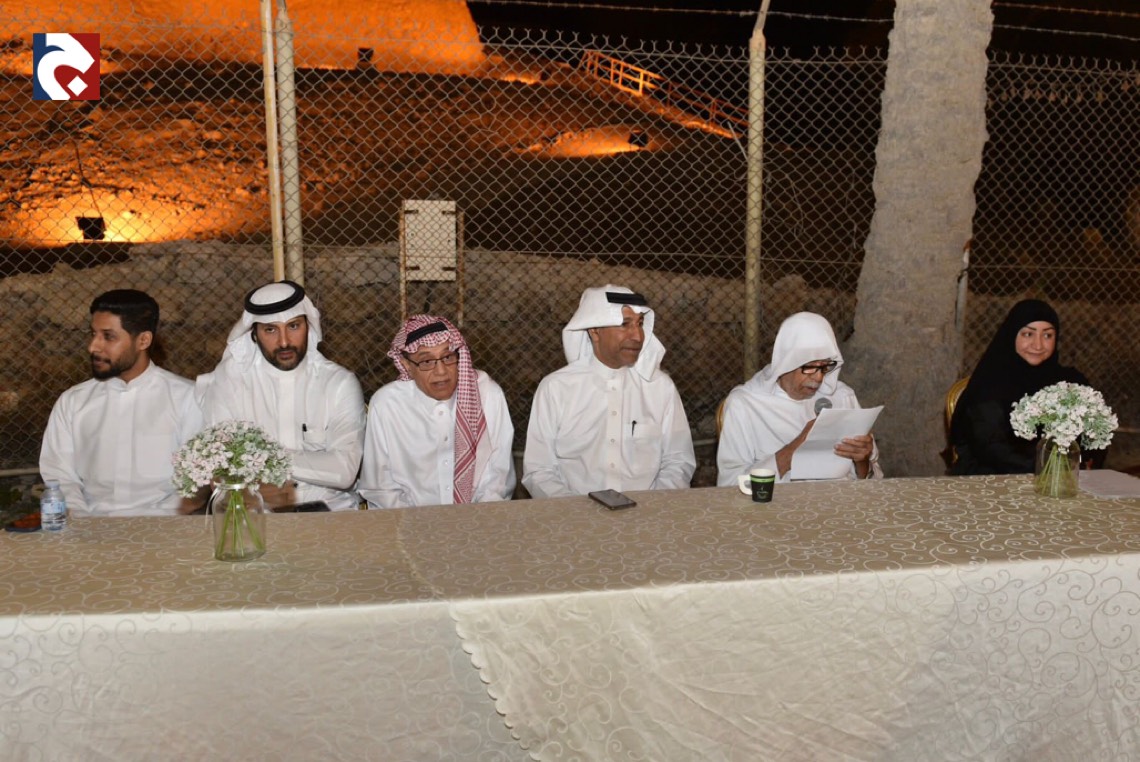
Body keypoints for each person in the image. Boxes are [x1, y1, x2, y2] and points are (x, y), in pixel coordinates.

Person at [196, 280, 365, 511]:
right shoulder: (229, 381)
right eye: (270, 329)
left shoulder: (338, 383)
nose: (284, 342)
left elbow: (344, 471)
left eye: (293, 326)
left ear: (309, 327)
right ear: (254, 334)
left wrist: (259, 456)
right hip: (257, 513)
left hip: (330, 510)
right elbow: (219, 466)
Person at [40, 289, 203, 516]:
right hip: (89, 525)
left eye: (108, 337)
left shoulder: (188, 398)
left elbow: (196, 485)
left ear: (143, 340)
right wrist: (82, 521)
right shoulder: (73, 401)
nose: (93, 347)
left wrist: (151, 524)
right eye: (93, 334)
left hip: (164, 526)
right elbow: (60, 475)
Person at [523, 284, 695, 498]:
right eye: (624, 324)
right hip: (573, 512)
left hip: (649, 511)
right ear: (594, 331)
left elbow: (678, 462)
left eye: (640, 324)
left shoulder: (660, 387)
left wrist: (652, 506)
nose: (637, 336)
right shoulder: (556, 389)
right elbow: (539, 470)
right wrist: (574, 510)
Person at [359, 315, 515, 508]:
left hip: (479, 515)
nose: (441, 371)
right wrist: (417, 522)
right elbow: (381, 488)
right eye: (426, 361)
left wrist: (476, 518)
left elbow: (497, 477)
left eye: (448, 357)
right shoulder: (387, 405)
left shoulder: (487, 394)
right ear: (407, 364)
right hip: (407, 519)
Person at [717, 311, 879, 485]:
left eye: (825, 367)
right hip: (777, 501)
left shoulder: (842, 397)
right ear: (787, 362)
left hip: (840, 497)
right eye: (809, 367)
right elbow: (730, 486)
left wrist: (862, 461)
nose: (818, 377)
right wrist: (795, 448)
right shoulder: (745, 404)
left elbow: (873, 479)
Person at [950, 298, 1100, 475]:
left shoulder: (1070, 382)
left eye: (1047, 335)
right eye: (1028, 334)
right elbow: (993, 449)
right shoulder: (989, 384)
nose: (1038, 345)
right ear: (1012, 336)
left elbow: (1095, 437)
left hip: (1060, 477)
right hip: (994, 477)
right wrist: (1050, 467)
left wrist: (1080, 461)